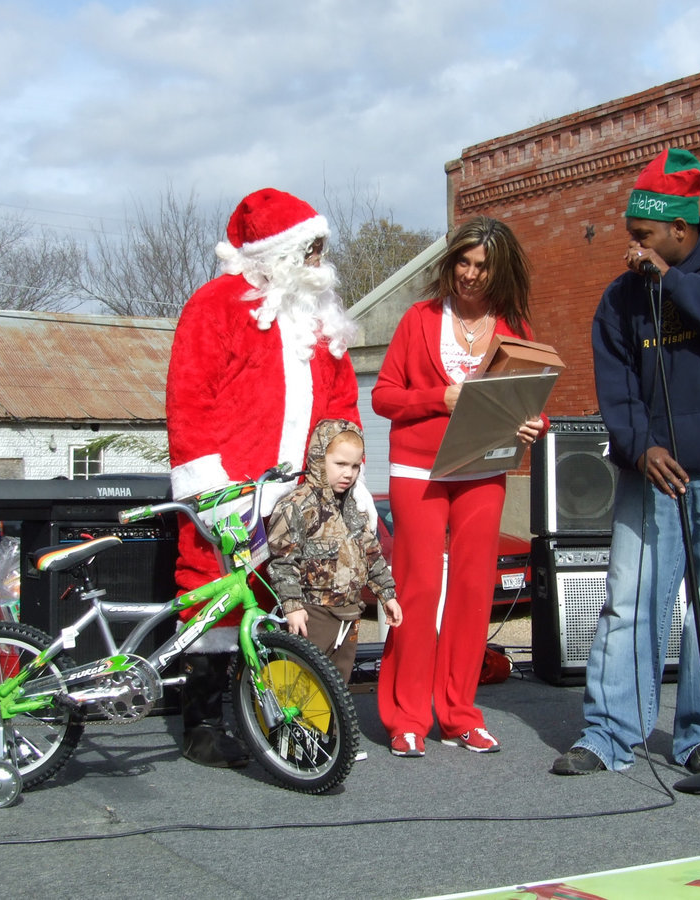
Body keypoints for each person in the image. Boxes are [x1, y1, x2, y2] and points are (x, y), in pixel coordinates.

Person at [551, 148, 700, 777]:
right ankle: (609, 734)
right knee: (632, 600)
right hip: (653, 474)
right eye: (630, 238)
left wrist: (671, 284)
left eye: (642, 237)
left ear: (681, 228)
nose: (632, 250)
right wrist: (640, 447)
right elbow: (616, 386)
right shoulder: (621, 298)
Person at [166, 187, 369, 767]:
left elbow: (342, 410)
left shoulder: (323, 319)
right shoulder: (215, 305)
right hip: (228, 489)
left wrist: (343, 475)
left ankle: (295, 719)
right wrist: (207, 488)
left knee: (297, 601)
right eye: (311, 250)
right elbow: (190, 400)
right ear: (280, 253)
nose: (320, 261)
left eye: (322, 249)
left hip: (299, 496)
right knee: (215, 598)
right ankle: (203, 721)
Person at [372, 216, 545, 758]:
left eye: (482, 266)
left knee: (473, 593)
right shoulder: (418, 320)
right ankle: (406, 717)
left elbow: (525, 401)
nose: (470, 275)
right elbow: (382, 398)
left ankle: (460, 713)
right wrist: (436, 398)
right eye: (463, 263)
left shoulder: (516, 329)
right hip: (417, 471)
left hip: (483, 468)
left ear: (500, 272)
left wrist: (531, 424)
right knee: (419, 590)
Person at [266, 419, 402, 685]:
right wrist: (292, 606)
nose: (348, 473)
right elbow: (283, 562)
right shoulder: (298, 506)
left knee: (338, 685)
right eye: (340, 464)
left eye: (354, 466)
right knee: (303, 682)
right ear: (319, 459)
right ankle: (296, 727)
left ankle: (330, 728)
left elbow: (371, 555)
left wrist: (387, 595)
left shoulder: (353, 508)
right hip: (312, 613)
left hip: (350, 612)